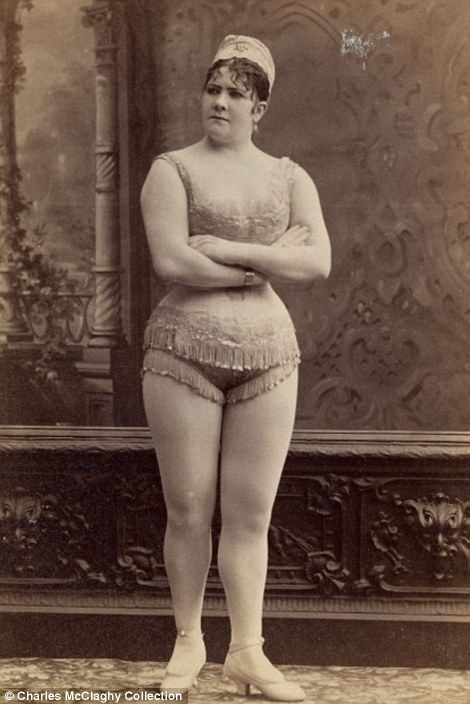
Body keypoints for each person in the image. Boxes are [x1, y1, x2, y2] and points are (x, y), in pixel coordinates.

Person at [140, 34, 331, 702]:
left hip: (269, 357)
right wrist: (266, 259)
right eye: (213, 89)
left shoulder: (290, 177)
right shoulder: (171, 170)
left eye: (236, 94)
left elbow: (317, 262)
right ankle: (189, 640)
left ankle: (247, 650)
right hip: (182, 352)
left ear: (260, 109)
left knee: (250, 514)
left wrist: (223, 248)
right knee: (189, 507)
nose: (220, 102)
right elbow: (172, 261)